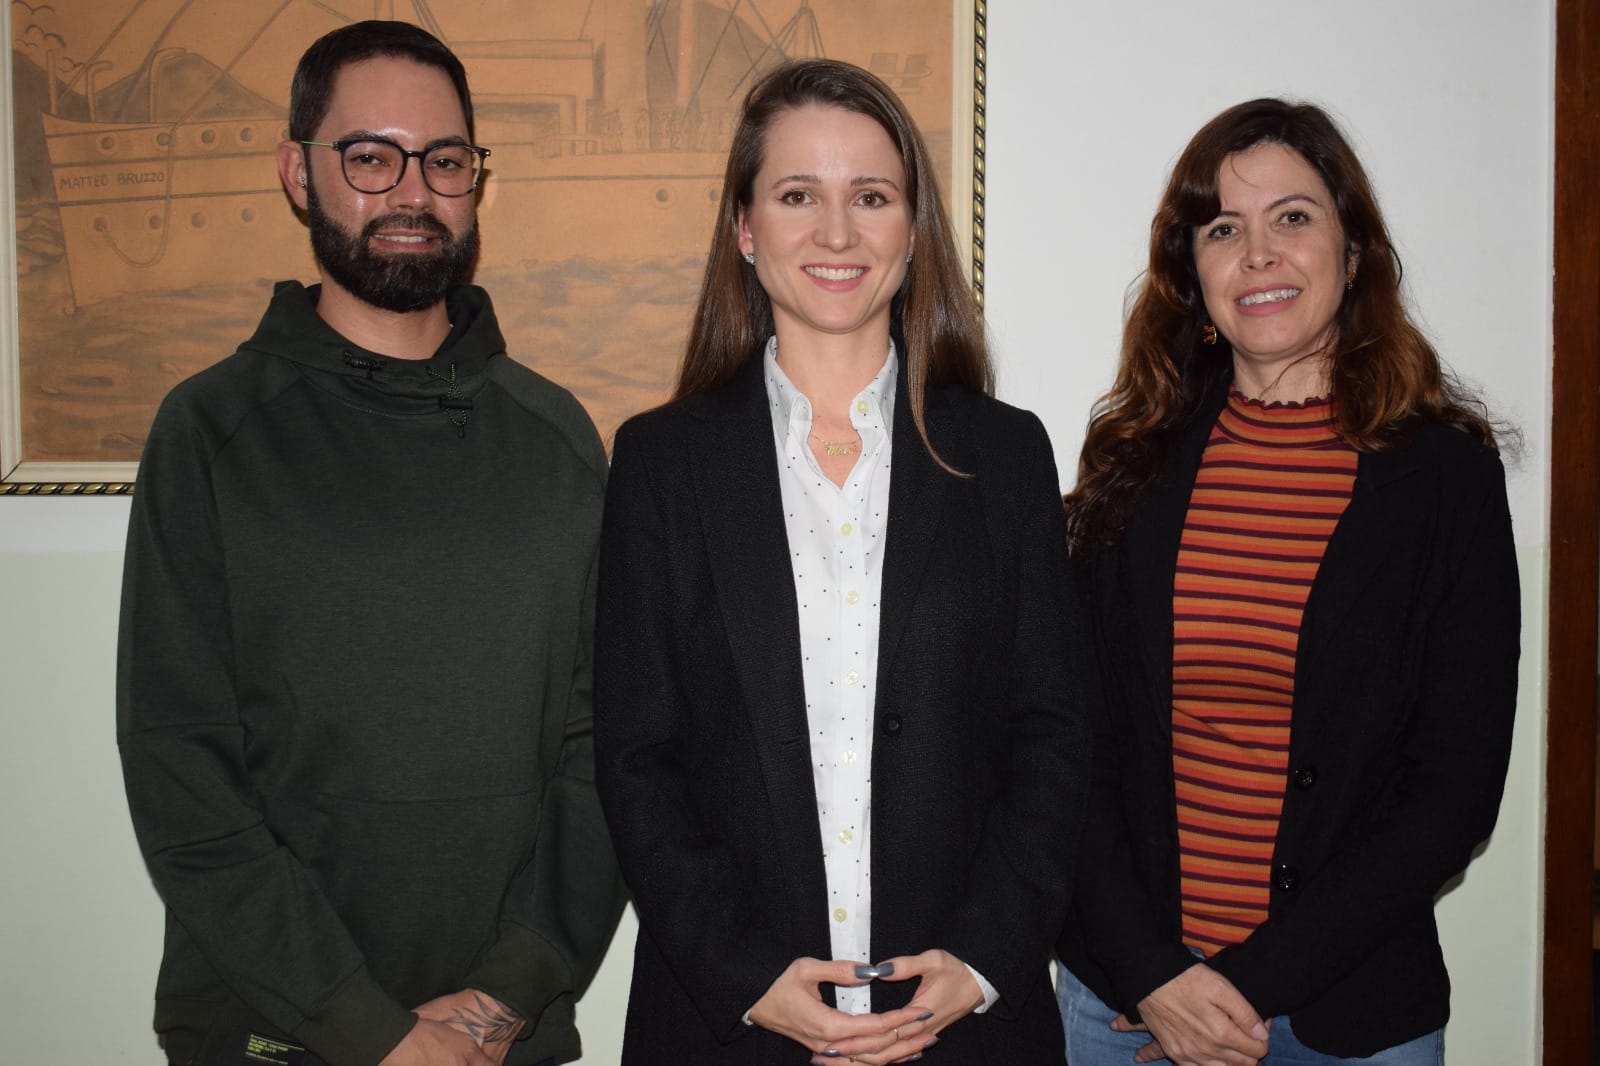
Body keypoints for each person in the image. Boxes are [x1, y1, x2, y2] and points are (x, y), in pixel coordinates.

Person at [116, 20, 624, 1066]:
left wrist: (500, 1001)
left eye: (444, 160)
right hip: (269, 1032)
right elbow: (179, 766)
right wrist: (371, 1031)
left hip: (502, 1037)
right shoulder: (209, 431)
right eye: (369, 156)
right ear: (296, 173)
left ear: (475, 180)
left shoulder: (558, 439)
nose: (412, 191)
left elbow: (604, 754)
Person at [593, 59, 1089, 1065]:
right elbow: (637, 760)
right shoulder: (659, 462)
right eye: (796, 196)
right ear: (744, 227)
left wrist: (982, 958)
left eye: (870, 197)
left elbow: (1055, 736)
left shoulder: (1006, 455)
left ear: (912, 228)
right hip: (729, 1026)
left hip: (965, 1027)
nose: (835, 233)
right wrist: (746, 975)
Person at [1055, 98, 1520, 1066]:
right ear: (1192, 273)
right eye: (1223, 229)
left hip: (1350, 1013)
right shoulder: (1129, 466)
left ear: (1353, 252)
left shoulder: (1446, 480)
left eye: (1293, 218)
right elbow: (1070, 745)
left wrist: (1244, 986)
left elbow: (1453, 789)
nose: (1258, 254)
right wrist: (1154, 972)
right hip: (1130, 1004)